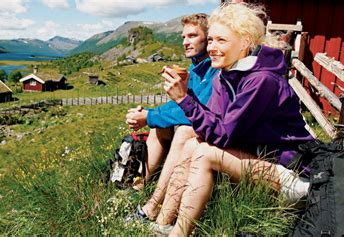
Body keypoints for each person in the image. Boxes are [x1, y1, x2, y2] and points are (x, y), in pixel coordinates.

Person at [155, 3, 314, 236]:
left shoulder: (262, 80)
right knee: (190, 141)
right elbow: (212, 124)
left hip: (292, 174)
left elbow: (222, 134)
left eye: (221, 40)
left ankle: (179, 234)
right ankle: (162, 222)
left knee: (204, 152)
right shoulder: (226, 75)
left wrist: (184, 99)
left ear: (245, 42)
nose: (212, 48)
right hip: (259, 160)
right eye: (210, 40)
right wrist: (186, 97)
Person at [125, 13, 219, 220]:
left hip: (219, 134)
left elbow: (196, 110)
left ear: (209, 37)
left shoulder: (215, 68)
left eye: (192, 36)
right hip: (208, 127)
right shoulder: (196, 67)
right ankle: (138, 189)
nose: (185, 42)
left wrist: (149, 116)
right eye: (183, 37)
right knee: (160, 126)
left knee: (185, 130)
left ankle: (153, 207)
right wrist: (148, 115)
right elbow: (179, 104)